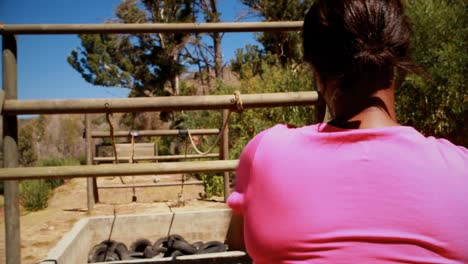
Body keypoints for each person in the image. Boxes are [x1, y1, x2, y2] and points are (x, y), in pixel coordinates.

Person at [226, 0, 468, 263]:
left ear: (317, 74)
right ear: (397, 66)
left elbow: (238, 244)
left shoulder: (267, 152)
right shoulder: (461, 168)